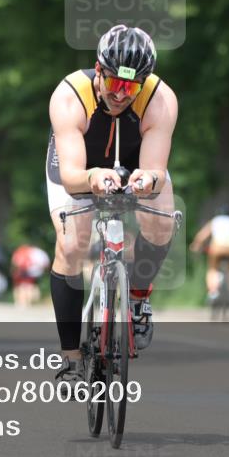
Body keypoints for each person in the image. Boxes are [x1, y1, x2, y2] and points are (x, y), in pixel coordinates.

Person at [47, 24, 178, 385]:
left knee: (162, 222)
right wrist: (92, 177)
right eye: (114, 82)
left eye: (131, 86)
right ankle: (72, 359)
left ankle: (137, 297)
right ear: (98, 69)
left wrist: (147, 180)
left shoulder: (161, 100)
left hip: (136, 159)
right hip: (81, 162)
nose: (121, 94)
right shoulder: (70, 95)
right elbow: (71, 175)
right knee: (72, 244)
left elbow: (156, 171)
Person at [190, 205, 229, 301]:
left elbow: (202, 236)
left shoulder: (215, 221)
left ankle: (213, 292)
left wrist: (196, 245)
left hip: (217, 249)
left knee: (212, 269)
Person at [11, 242, 50, 307]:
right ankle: (26, 302)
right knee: (27, 286)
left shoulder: (26, 251)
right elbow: (46, 264)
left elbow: (15, 261)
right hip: (31, 272)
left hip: (27, 271)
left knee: (24, 286)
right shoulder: (38, 252)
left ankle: (23, 302)